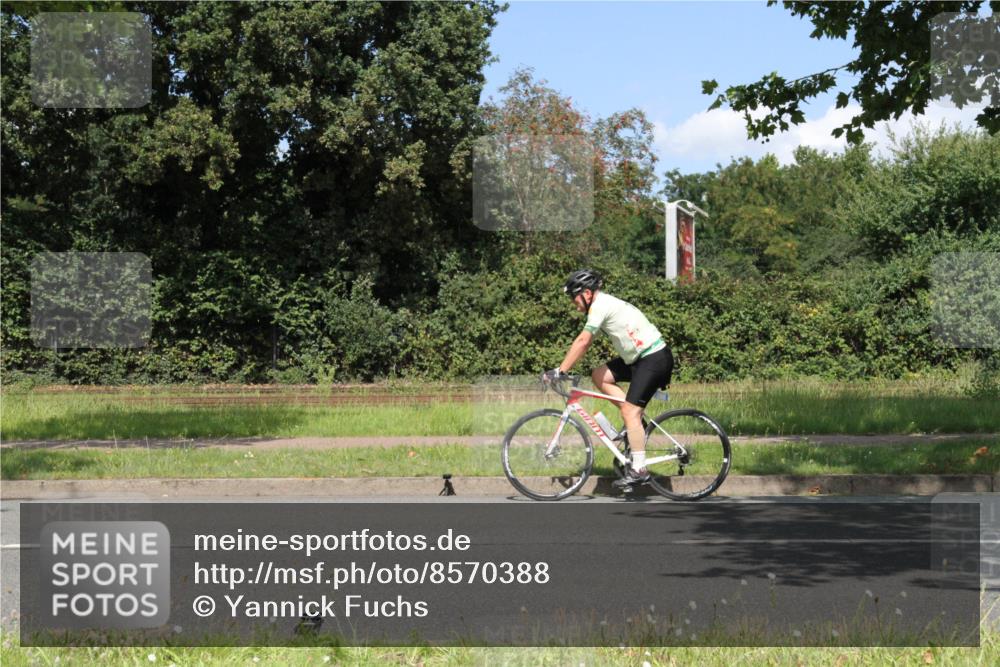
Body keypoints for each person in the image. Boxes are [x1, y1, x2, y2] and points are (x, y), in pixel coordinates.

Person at [545, 269, 673, 489]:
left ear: (586, 294)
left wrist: (561, 371)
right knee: (599, 375)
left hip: (653, 358)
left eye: (573, 298)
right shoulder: (601, 304)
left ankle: (639, 469)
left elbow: (583, 341)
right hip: (639, 358)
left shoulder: (600, 306)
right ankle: (636, 425)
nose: (572, 303)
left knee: (629, 411)